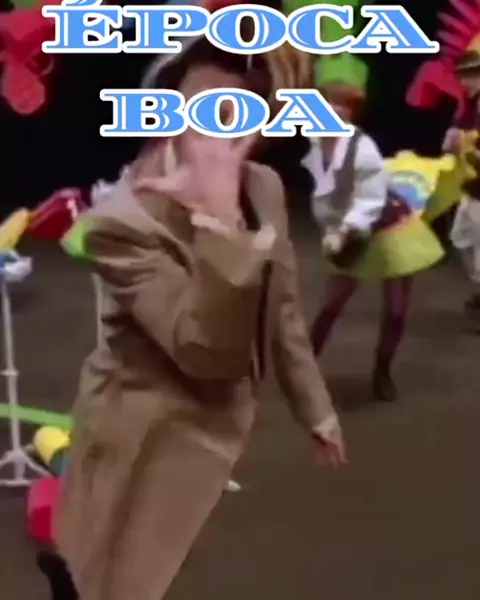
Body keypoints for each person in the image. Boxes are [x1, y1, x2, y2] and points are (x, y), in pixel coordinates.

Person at [42, 36, 345, 600]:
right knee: (111, 579)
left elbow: (282, 308)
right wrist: (220, 226)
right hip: (140, 434)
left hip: (213, 426)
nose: (216, 132)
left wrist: (316, 410)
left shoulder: (263, 187)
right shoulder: (123, 222)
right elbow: (203, 351)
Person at [305, 54, 445, 403]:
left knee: (396, 311)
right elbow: (324, 196)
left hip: (389, 228)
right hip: (352, 229)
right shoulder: (316, 144)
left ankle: (382, 371)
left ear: (352, 110)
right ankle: (302, 370)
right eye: (328, 103)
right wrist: (332, 229)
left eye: (342, 104)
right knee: (331, 305)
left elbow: (368, 201)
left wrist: (345, 231)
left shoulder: (362, 149)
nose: (334, 111)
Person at [406, 0, 480, 330]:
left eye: (471, 76)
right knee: (462, 237)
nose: (465, 82)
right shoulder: (471, 106)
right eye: (463, 76)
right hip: (470, 185)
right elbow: (457, 136)